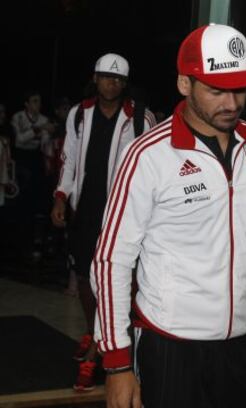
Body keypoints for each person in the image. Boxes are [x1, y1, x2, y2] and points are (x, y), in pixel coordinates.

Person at [91, 24, 246, 408]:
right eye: (216, 90)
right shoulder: (148, 155)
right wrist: (117, 363)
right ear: (184, 84)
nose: (231, 103)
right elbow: (112, 259)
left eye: (240, 89)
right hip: (170, 346)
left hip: (241, 343)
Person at [50, 53, 156, 391]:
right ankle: (93, 328)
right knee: (83, 277)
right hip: (85, 210)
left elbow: (152, 168)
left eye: (118, 79)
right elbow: (67, 160)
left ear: (125, 84)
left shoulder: (140, 117)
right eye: (106, 77)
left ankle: (97, 350)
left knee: (113, 279)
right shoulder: (80, 114)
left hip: (121, 214)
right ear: (95, 79)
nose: (112, 83)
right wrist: (61, 196)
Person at [11, 91, 54, 258]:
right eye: (34, 101)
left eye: (39, 101)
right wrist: (39, 131)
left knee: (34, 199)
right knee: (20, 199)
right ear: (27, 104)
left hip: (36, 160)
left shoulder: (43, 119)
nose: (38, 105)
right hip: (20, 159)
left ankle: (34, 240)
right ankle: (18, 239)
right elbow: (19, 140)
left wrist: (42, 133)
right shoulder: (18, 117)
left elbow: (44, 142)